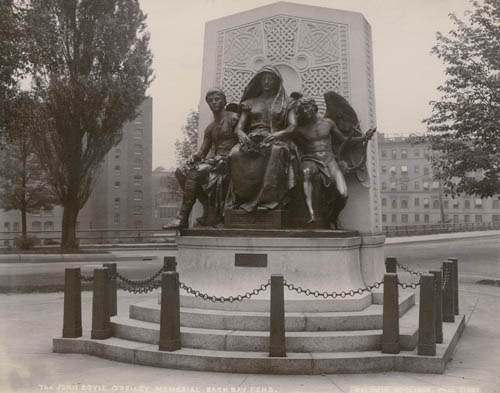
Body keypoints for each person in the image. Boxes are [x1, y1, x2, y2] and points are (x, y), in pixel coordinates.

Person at [226, 65, 299, 212]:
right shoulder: (250, 102)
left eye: (270, 79)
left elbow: (292, 126)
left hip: (277, 138)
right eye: (264, 79)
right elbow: (239, 126)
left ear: (276, 82)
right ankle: (243, 199)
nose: (267, 82)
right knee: (234, 153)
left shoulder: (287, 102)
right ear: (259, 81)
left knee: (276, 152)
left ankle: (268, 202)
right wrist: (241, 134)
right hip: (252, 139)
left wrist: (277, 134)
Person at [294, 97, 375, 227]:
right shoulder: (299, 129)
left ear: (314, 107)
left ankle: (333, 217)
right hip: (311, 159)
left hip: (329, 160)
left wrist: (363, 138)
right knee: (306, 173)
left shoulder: (329, 123)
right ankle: (311, 213)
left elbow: (344, 140)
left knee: (343, 193)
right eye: (302, 109)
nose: (305, 110)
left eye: (307, 107)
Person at [164, 88, 238, 229]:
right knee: (180, 171)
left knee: (195, 172)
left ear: (224, 101)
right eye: (210, 100)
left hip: (232, 160)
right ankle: (207, 206)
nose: (214, 102)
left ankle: (182, 218)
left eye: (217, 99)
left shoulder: (234, 118)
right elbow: (202, 152)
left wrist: (229, 156)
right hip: (216, 160)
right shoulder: (210, 128)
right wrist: (194, 156)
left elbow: (243, 141)